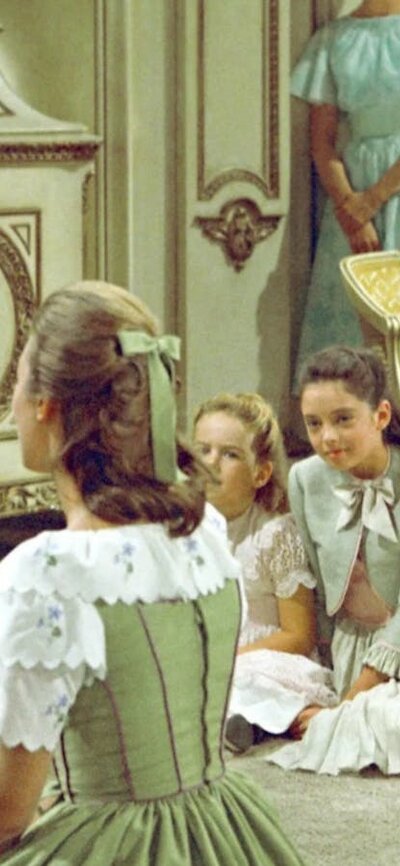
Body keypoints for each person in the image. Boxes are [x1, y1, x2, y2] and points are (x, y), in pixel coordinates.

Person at [0, 280, 309, 865]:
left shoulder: (49, 574)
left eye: (16, 382)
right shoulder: (205, 536)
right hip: (219, 827)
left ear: (45, 404)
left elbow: (7, 814)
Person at [268, 344, 400, 775]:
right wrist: (328, 682)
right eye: (314, 423)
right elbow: (317, 586)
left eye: (343, 419)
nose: (328, 437)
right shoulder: (305, 478)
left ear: (380, 415)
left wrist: (354, 697)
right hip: (349, 647)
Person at [193, 393, 337, 753]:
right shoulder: (185, 532)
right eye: (203, 450)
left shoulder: (275, 534)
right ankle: (237, 720)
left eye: (230, 454)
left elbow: (299, 635)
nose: (211, 463)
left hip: (266, 657)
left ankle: (271, 720)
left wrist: (233, 655)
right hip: (209, 654)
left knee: (245, 679)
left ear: (260, 473)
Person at [291, 0, 400, 382]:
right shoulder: (334, 39)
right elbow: (321, 143)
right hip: (353, 195)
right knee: (355, 328)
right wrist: (351, 209)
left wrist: (373, 199)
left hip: (384, 190)